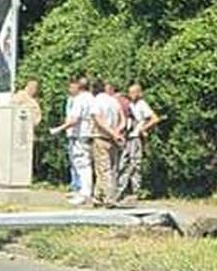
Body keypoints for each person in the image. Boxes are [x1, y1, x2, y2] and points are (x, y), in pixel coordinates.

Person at [50, 77, 94, 206]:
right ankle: (83, 191)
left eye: (71, 87)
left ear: (78, 87)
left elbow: (74, 120)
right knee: (84, 164)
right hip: (87, 134)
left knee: (81, 164)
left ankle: (85, 193)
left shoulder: (80, 100)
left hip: (79, 135)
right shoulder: (91, 98)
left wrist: (58, 129)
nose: (69, 89)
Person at [118, 84, 160, 202]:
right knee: (124, 163)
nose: (131, 95)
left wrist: (143, 128)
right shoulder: (130, 104)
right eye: (129, 92)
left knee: (135, 164)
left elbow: (155, 118)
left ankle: (135, 191)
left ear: (139, 93)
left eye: (133, 92)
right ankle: (122, 190)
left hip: (135, 138)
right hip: (128, 137)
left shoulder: (142, 104)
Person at [89, 79, 125, 207]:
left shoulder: (96, 102)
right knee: (110, 168)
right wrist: (118, 131)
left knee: (103, 169)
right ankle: (97, 197)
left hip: (101, 137)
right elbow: (123, 119)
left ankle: (109, 197)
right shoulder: (114, 101)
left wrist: (112, 133)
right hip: (113, 140)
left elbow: (98, 120)